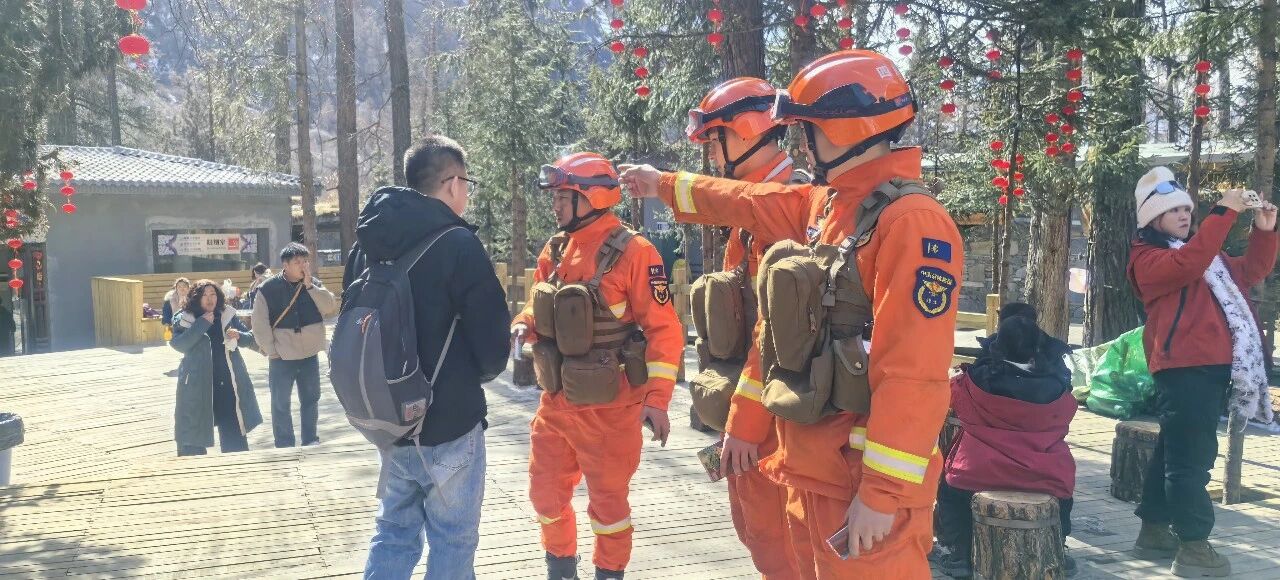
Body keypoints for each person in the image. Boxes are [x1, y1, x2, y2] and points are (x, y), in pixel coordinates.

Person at [622, 49, 963, 578]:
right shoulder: (828, 207)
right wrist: (662, 185)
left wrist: (881, 493)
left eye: (810, 129)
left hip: (858, 484)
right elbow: (745, 209)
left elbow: (913, 374)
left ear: (849, 130)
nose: (801, 142)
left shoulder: (913, 224)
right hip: (811, 468)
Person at [510, 152, 684, 580]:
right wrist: (522, 325)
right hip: (557, 403)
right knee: (545, 495)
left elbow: (665, 331)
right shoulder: (555, 248)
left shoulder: (635, 252)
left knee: (608, 506)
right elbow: (538, 302)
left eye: (562, 196)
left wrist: (658, 401)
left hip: (614, 408)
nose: (554, 205)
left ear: (589, 197)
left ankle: (609, 573)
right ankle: (561, 571)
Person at [345, 136, 510, 579]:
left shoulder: (368, 242)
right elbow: (493, 349)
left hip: (389, 421)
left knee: (394, 532)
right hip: (451, 422)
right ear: (452, 183)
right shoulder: (458, 243)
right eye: (466, 183)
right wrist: (470, 375)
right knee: (453, 538)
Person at [1127, 168, 1278, 578]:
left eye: (1186, 209)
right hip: (1183, 367)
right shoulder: (1149, 257)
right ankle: (1194, 546)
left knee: (1174, 451)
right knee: (1192, 459)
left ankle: (1154, 531)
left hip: (1208, 367)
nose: (1183, 215)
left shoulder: (1201, 255)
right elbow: (1190, 262)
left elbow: (1249, 272)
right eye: (1172, 209)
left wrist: (1264, 231)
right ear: (1151, 219)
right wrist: (1223, 212)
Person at [684, 77, 806, 579]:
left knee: (785, 544)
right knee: (761, 534)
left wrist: (744, 423)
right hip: (758, 413)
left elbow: (773, 335)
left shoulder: (790, 207)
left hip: (782, 419)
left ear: (749, 130)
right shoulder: (754, 212)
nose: (710, 154)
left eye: (715, 140)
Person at [934, 305, 1077, 579]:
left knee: (951, 491)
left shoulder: (976, 380)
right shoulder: (1059, 387)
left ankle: (959, 554)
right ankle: (1059, 546)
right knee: (1064, 494)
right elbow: (1068, 413)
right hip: (1045, 471)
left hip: (978, 470)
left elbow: (955, 400)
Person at [252, 243, 337, 448]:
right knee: (281, 403)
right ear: (286, 264)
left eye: (305, 261)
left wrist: (310, 286)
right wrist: (271, 351)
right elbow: (259, 323)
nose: (303, 266)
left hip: (310, 354)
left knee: (311, 399)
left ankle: (310, 439)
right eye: (298, 262)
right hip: (281, 355)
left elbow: (330, 307)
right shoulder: (267, 288)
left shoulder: (313, 284)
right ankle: (284, 442)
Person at [169, 279, 263, 456]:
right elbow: (179, 344)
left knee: (234, 432)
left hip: (227, 382)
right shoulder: (185, 317)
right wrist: (202, 324)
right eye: (204, 295)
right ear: (196, 298)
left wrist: (239, 336)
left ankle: (237, 469)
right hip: (197, 384)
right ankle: (193, 472)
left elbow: (250, 338)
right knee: (193, 431)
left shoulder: (227, 314)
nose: (209, 299)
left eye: (213, 294)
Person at [162, 278, 191, 377]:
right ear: (176, 288)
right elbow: (166, 316)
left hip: (191, 325)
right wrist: (167, 329)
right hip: (176, 326)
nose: (182, 289)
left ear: (188, 288)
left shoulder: (194, 299)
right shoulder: (170, 300)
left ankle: (188, 357)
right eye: (179, 287)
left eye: (184, 287)